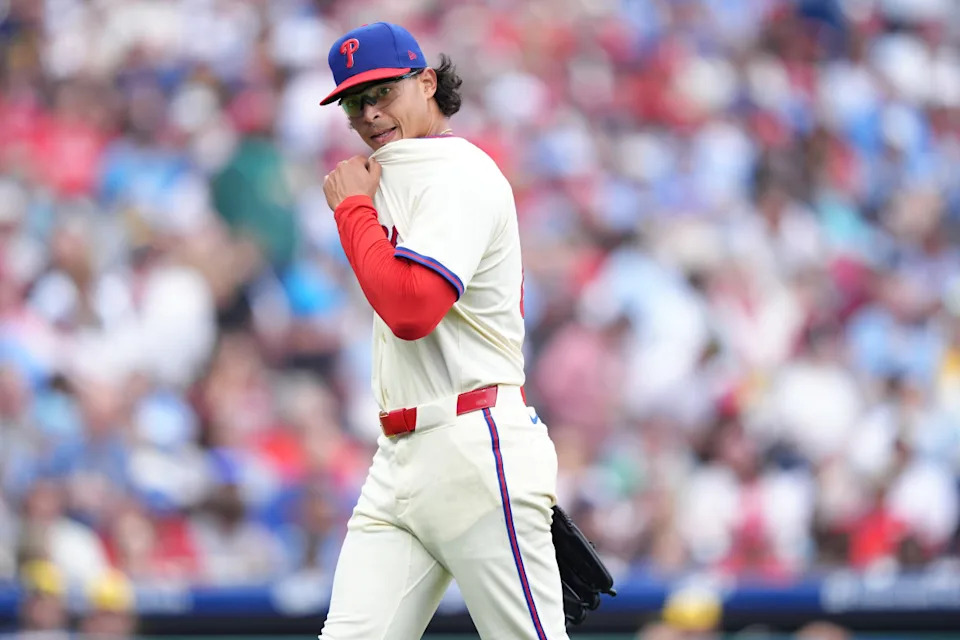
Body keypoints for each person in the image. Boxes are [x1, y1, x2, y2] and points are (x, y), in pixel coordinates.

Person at [318, 21, 568, 640]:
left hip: (474, 441)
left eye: (382, 92)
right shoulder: (392, 176)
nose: (369, 112)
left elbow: (411, 311)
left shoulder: (459, 173)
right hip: (398, 456)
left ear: (427, 82)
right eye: (354, 102)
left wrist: (353, 213)